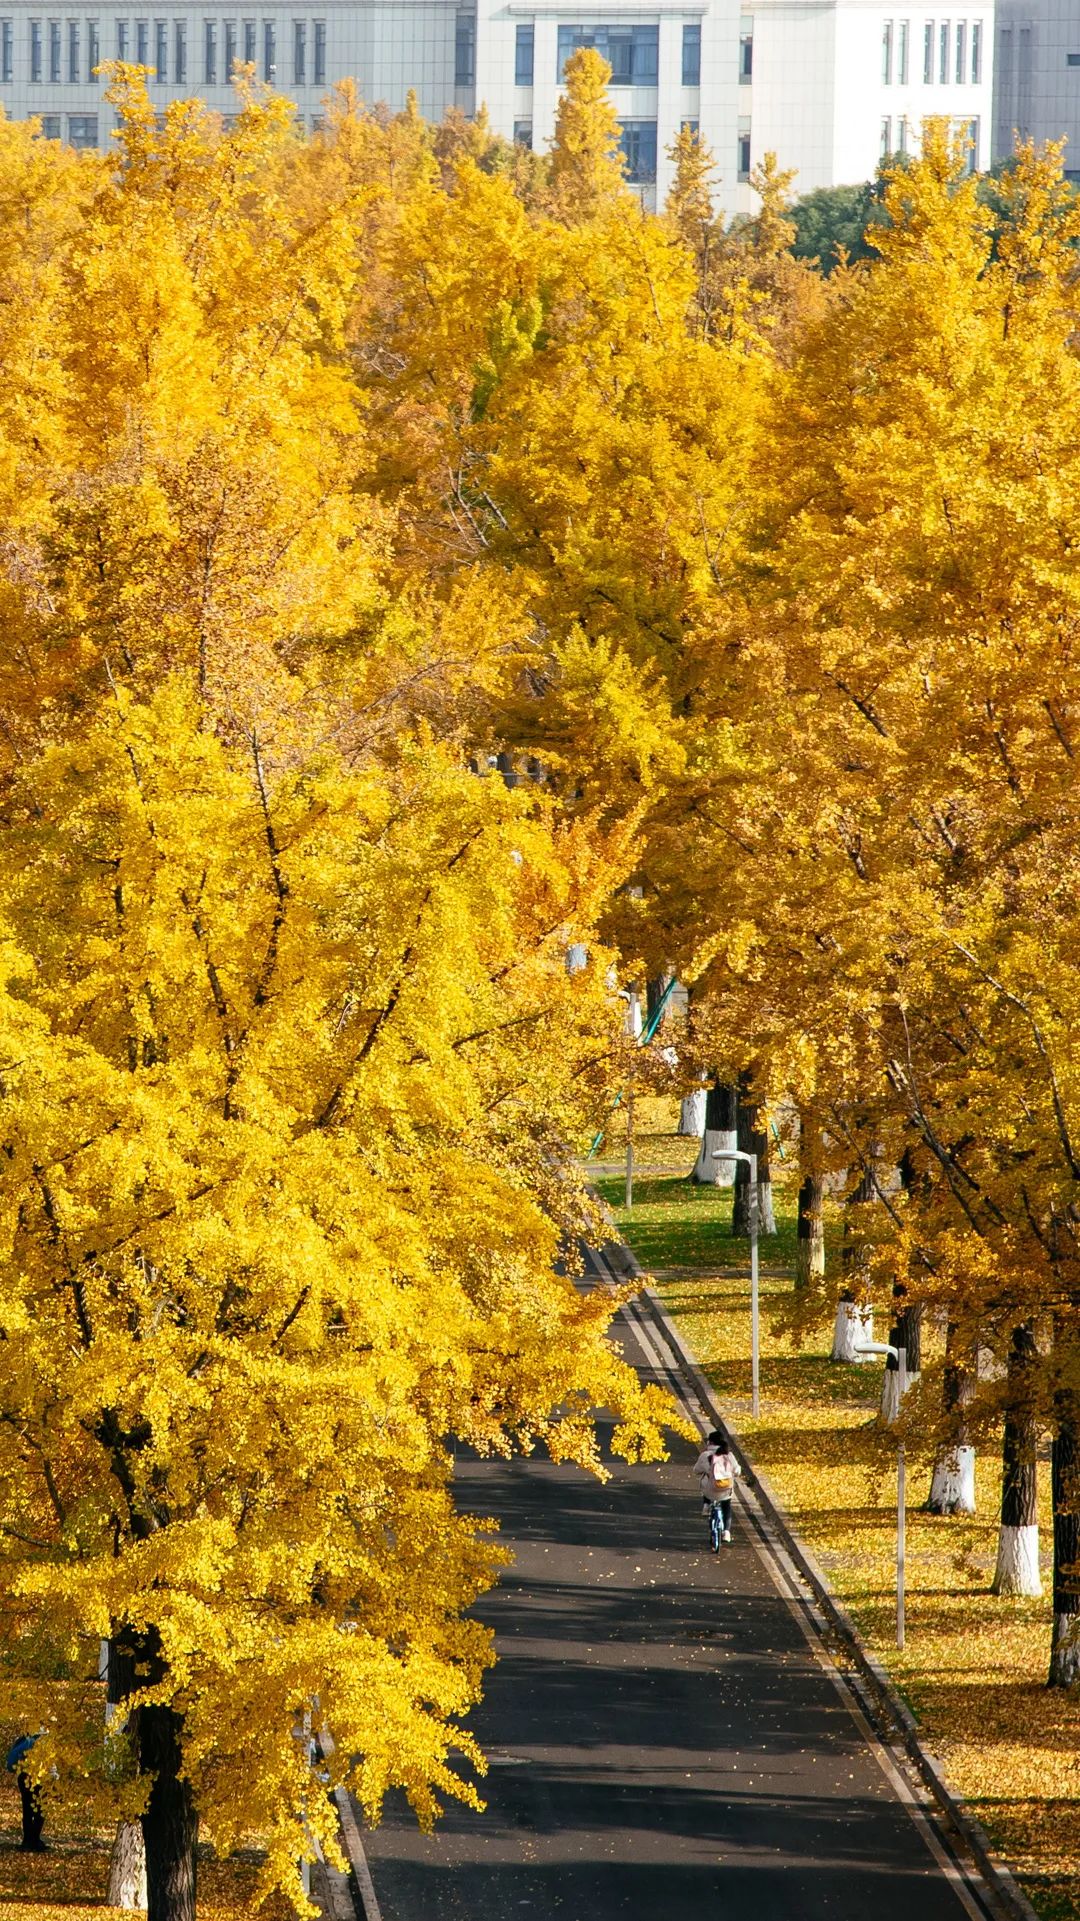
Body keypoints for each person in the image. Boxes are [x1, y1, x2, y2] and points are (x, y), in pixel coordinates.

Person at [694, 1426, 741, 1543]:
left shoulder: (705, 1455)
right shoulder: (728, 1455)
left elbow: (696, 1470)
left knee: (705, 1482)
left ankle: (706, 1505)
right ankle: (726, 1532)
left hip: (709, 1491)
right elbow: (737, 1471)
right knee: (726, 1506)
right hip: (725, 1490)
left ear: (710, 1442)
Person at [5, 1733, 44, 1851]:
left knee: (27, 1809)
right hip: (40, 1777)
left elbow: (11, 1763)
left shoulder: (24, 1741)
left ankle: (27, 1841)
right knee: (40, 1810)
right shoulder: (43, 1741)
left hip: (24, 1776)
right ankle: (35, 1839)